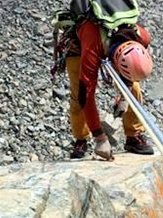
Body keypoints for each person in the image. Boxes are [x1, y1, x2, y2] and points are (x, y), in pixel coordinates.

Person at [66, 18, 155, 160]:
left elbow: (132, 71)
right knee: (78, 94)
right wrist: (100, 138)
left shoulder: (142, 37)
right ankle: (81, 139)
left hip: (110, 46)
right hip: (80, 48)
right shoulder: (92, 41)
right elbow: (86, 94)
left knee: (134, 90)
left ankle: (134, 136)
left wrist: (125, 94)